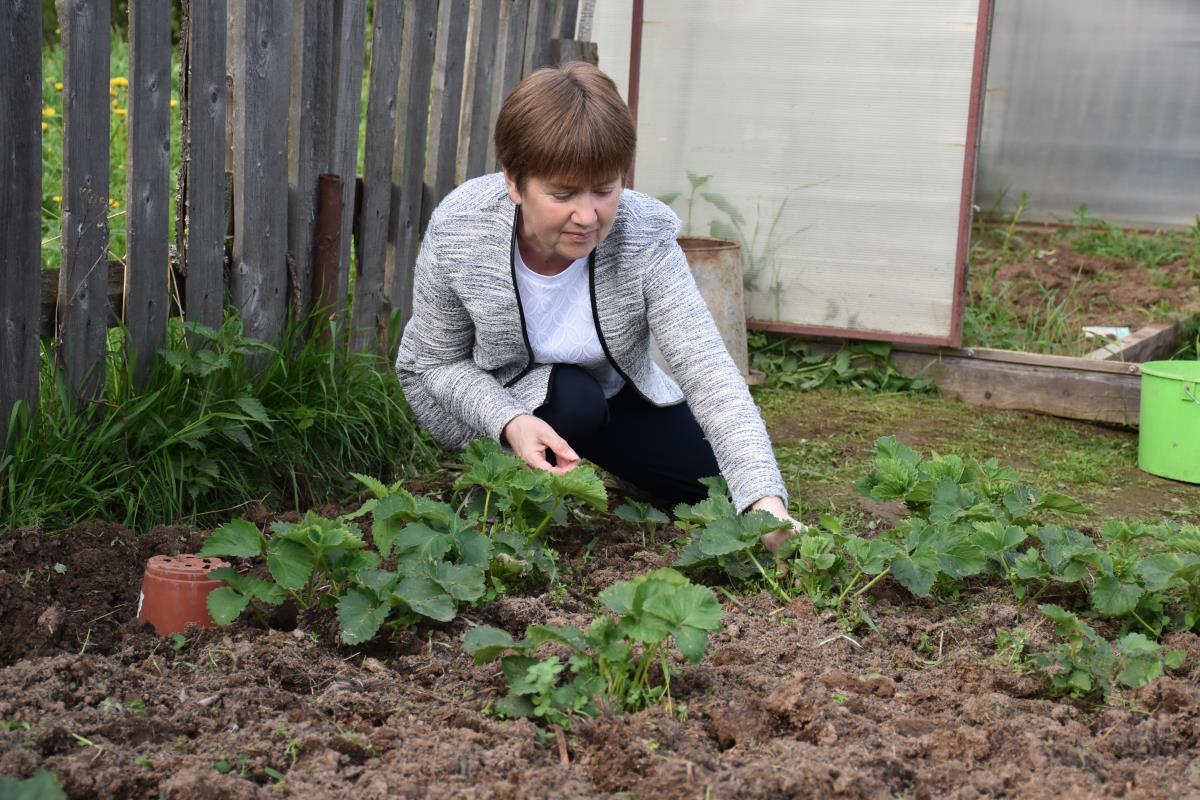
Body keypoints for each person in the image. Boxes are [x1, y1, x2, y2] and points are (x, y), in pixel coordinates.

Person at [394, 62, 798, 549]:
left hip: (607, 390)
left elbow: (708, 369)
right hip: (483, 394)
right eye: (563, 194)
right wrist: (509, 420)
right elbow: (434, 363)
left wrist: (764, 504)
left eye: (605, 189)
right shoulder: (462, 230)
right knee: (573, 400)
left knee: (710, 484)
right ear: (514, 183)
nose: (587, 216)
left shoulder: (644, 234)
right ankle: (499, 495)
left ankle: (591, 463)